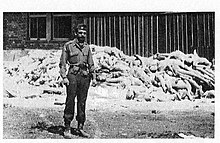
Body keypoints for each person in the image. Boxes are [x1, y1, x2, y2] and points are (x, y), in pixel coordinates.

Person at [59, 24, 96, 138]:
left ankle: (80, 127)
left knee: (82, 102)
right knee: (70, 101)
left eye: (84, 33)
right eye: (80, 33)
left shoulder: (87, 47)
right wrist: (64, 77)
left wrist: (94, 77)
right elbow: (62, 63)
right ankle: (67, 127)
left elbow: (91, 63)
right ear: (76, 33)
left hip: (85, 76)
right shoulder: (68, 46)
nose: (82, 35)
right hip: (73, 76)